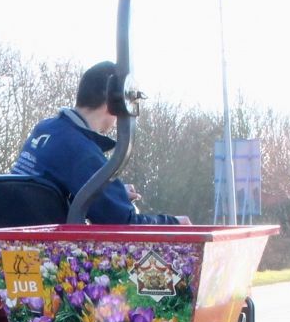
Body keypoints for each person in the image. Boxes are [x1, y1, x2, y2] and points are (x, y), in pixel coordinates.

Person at [10, 61, 182, 225]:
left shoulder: (46, 128)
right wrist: (175, 224)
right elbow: (123, 223)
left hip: (9, 243)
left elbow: (61, 186)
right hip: (50, 250)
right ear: (114, 103)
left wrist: (114, 194)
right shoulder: (81, 150)